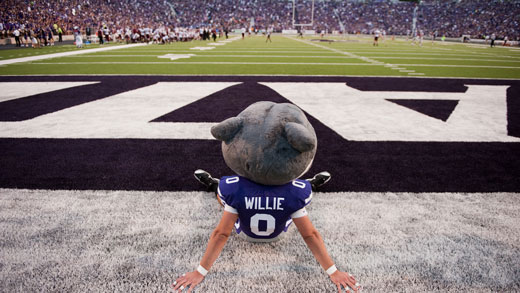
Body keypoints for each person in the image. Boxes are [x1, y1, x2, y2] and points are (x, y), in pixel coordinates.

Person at [172, 170, 361, 293]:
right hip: (279, 233)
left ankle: (211, 183)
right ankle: (312, 184)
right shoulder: (295, 191)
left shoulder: (235, 186)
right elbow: (310, 234)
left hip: (244, 232)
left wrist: (200, 271)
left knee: (227, 200)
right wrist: (333, 271)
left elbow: (221, 234)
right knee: (295, 198)